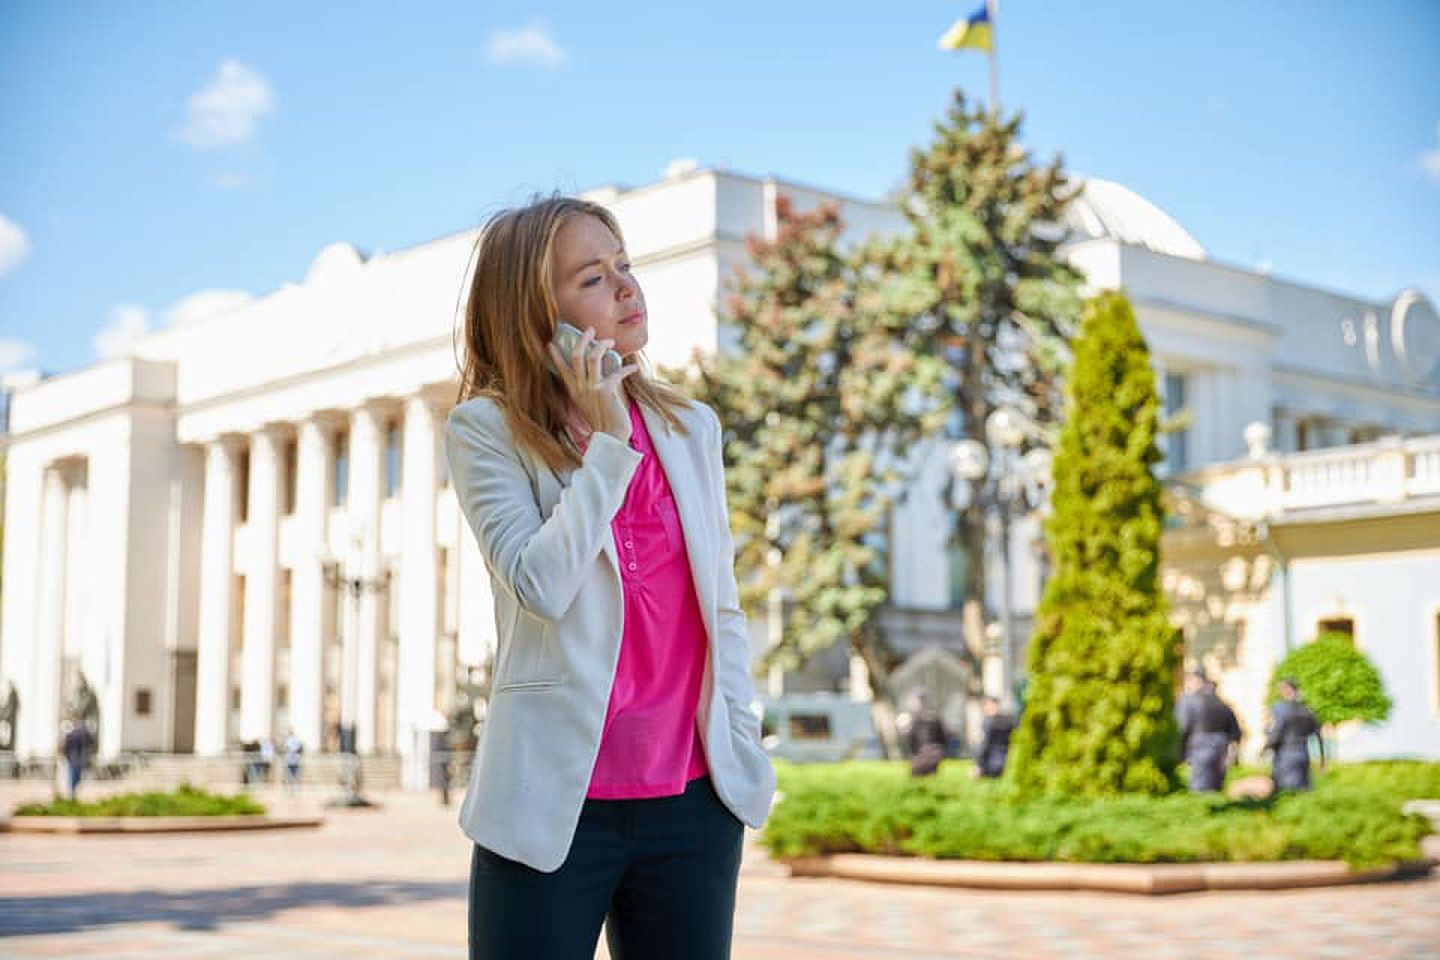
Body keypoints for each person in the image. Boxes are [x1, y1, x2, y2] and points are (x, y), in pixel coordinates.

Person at [445, 195, 776, 960]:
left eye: (624, 265)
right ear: (536, 313)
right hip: (551, 810)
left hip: (693, 805)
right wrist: (610, 443)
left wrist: (738, 743)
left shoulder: (691, 427)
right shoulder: (486, 431)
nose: (628, 288)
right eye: (593, 278)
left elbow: (719, 604)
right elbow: (542, 585)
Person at [1175, 667, 1242, 792]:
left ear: (1197, 680)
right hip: (1221, 750)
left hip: (1199, 748)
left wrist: (1178, 754)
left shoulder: (1189, 700)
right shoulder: (1223, 704)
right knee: (1215, 790)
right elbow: (1236, 733)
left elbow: (1182, 727)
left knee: (1199, 790)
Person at [1265, 677, 1323, 791]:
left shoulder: (1279, 708)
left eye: (1281, 688)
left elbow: (1276, 732)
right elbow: (1319, 735)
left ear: (1288, 689)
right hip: (1304, 753)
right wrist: (1322, 761)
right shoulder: (1307, 710)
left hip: (1285, 754)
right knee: (1303, 790)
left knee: (1286, 792)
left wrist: (1265, 747)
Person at [905, 689, 948, 777]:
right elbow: (944, 736)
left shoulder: (916, 718)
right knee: (931, 778)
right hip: (936, 753)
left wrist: (914, 754)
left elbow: (911, 738)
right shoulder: (935, 716)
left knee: (917, 778)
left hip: (922, 755)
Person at [974, 696, 1016, 779]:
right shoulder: (1009, 720)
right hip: (1004, 763)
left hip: (992, 765)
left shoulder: (989, 722)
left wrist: (979, 765)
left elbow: (985, 745)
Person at [60, 720, 95, 801]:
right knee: (76, 776)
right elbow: (91, 743)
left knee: (74, 775)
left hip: (73, 759)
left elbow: (66, 747)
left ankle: (72, 791)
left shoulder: (71, 734)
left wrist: (67, 756)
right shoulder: (84, 734)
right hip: (79, 759)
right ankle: (73, 791)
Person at [283, 730, 304, 794]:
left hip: (292, 760)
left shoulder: (289, 740)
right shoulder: (295, 740)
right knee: (294, 773)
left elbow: (287, 748)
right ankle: (293, 785)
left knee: (292, 773)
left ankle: (293, 785)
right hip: (293, 760)